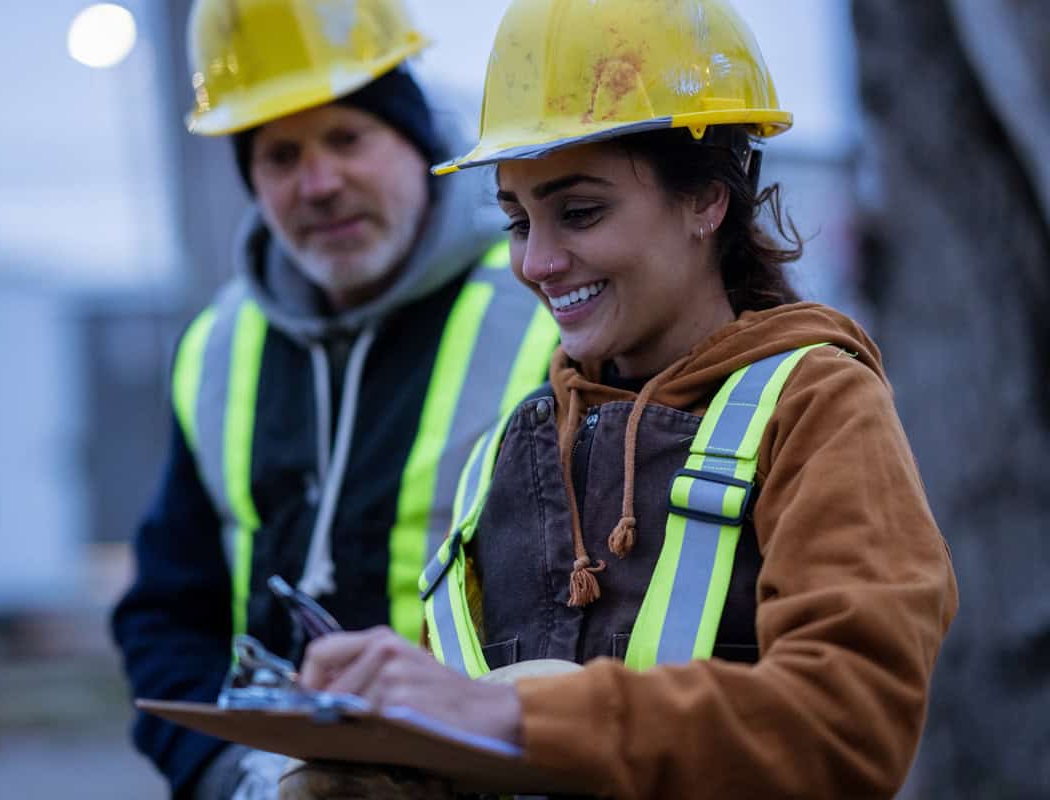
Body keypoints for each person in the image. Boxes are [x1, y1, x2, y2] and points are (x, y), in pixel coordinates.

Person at [296, 0, 959, 798]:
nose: (536, 262)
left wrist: (521, 718)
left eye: (579, 212)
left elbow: (850, 726)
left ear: (708, 200)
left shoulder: (815, 406)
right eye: (515, 220)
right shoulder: (511, 447)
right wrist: (381, 761)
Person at [109, 1, 557, 798]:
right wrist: (233, 775)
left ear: (417, 140)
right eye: (280, 155)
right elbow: (166, 618)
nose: (318, 183)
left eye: (348, 138)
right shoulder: (217, 350)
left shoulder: (550, 312)